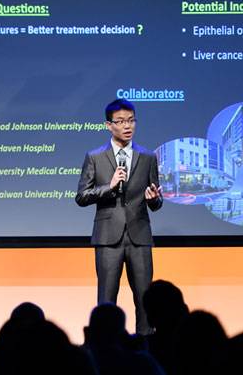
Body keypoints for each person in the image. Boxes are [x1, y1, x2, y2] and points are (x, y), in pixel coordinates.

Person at [76, 98, 162, 336]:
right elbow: (81, 196)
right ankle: (105, 347)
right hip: (107, 238)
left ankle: (146, 347)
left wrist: (153, 199)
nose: (127, 126)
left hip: (139, 236)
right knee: (106, 300)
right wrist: (110, 187)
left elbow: (157, 202)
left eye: (131, 121)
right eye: (121, 121)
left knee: (145, 300)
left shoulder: (147, 157)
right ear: (109, 125)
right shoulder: (95, 157)